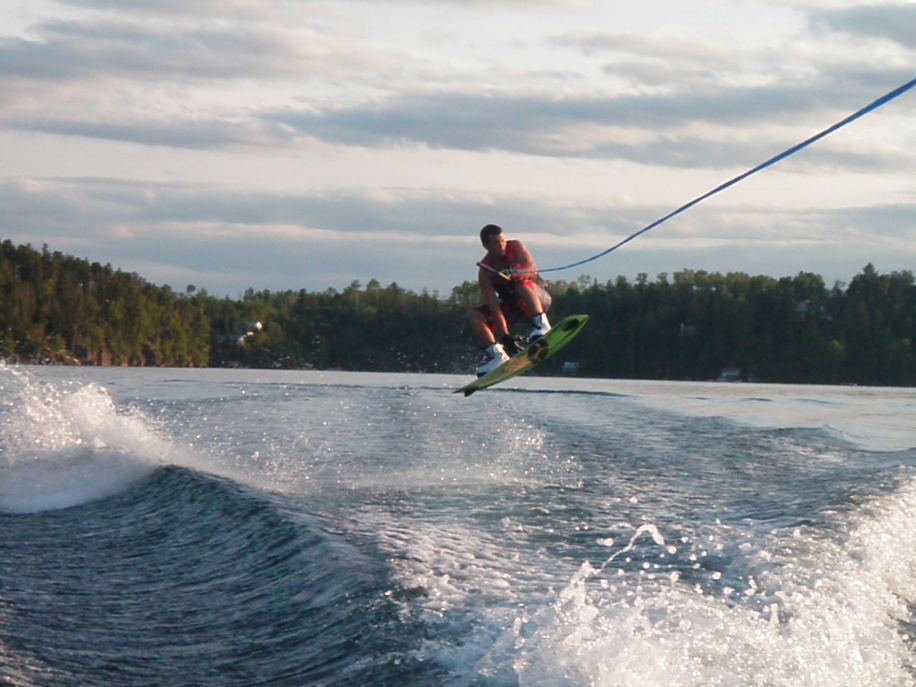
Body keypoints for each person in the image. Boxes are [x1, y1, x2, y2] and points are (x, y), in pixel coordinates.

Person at [466, 224, 552, 376]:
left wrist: (513, 274)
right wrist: (505, 337)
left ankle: (542, 325)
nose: (501, 246)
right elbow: (494, 308)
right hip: (514, 310)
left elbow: (531, 268)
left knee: (519, 283)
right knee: (473, 315)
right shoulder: (485, 271)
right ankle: (498, 355)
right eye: (495, 243)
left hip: (539, 300)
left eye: (502, 240)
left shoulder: (515, 246)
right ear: (485, 246)